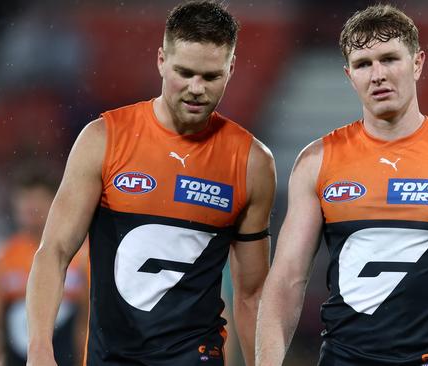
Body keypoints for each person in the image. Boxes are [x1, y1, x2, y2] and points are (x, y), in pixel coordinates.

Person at [256, 4, 428, 366]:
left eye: (389, 59)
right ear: (348, 75)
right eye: (363, 64)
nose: (377, 75)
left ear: (417, 63)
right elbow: (286, 284)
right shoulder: (317, 163)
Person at [26, 1, 276, 365]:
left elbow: (252, 293)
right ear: (161, 60)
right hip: (112, 356)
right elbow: (54, 252)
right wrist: (39, 351)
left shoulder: (252, 163)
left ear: (231, 68)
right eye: (184, 72)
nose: (196, 88)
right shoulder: (104, 139)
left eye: (211, 76)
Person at [0, 172, 88, 366]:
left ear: (54, 202)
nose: (31, 208)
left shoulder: (82, 256)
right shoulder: (2, 257)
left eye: (38, 200)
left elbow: (87, 321)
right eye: (25, 200)